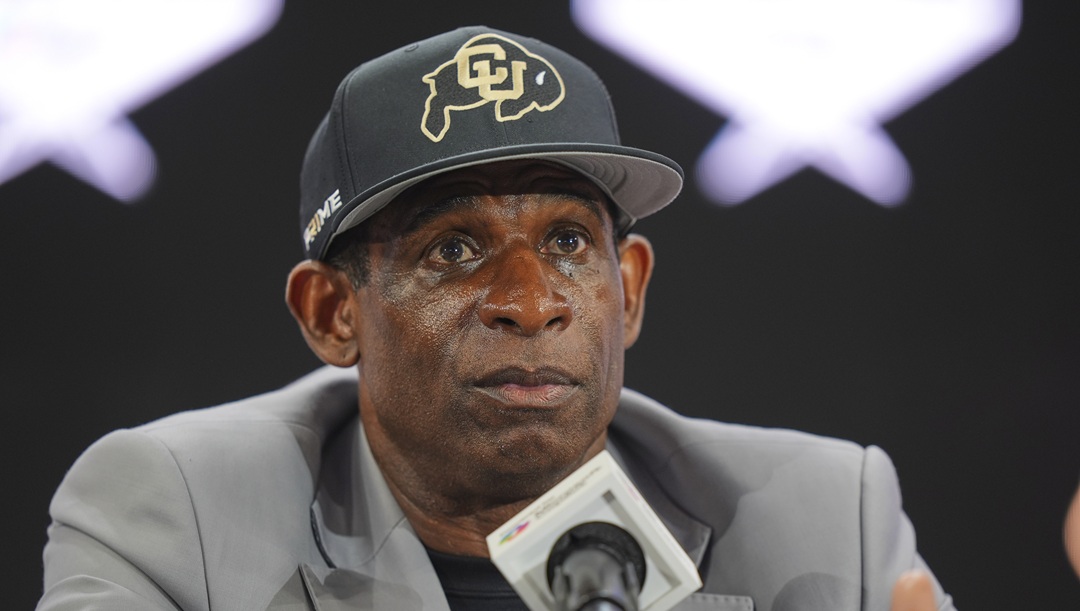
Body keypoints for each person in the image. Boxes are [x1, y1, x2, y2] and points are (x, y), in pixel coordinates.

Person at [38, 27, 954, 611]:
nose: (531, 300)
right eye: (452, 248)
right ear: (333, 313)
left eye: (567, 241)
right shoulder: (172, 517)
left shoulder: (828, 519)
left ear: (629, 289)